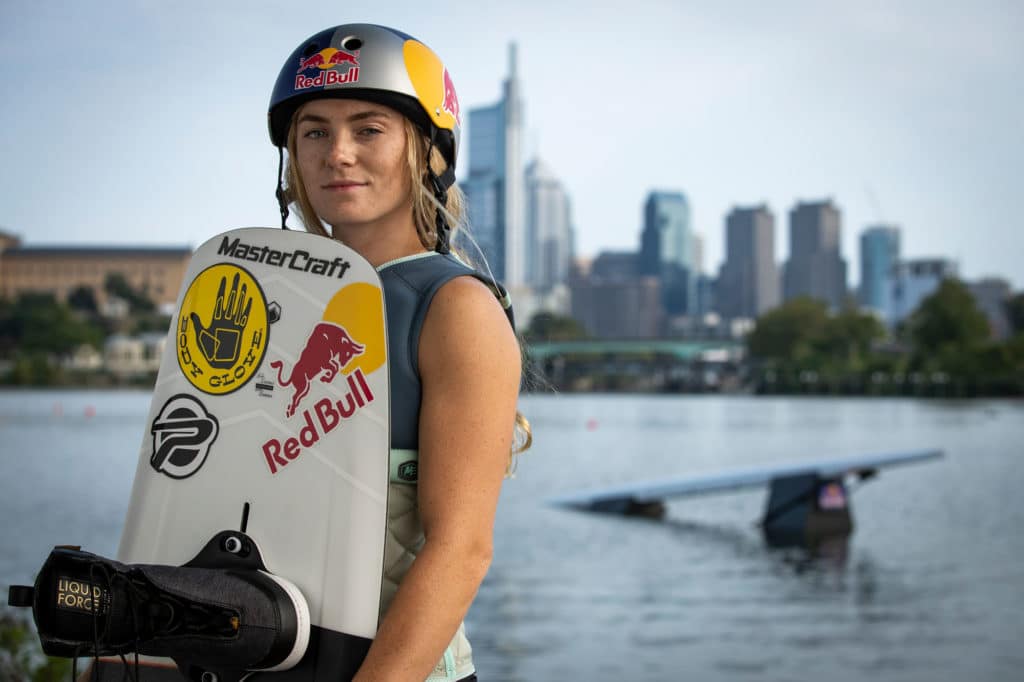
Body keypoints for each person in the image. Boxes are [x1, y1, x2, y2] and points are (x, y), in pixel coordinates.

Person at [267, 23, 531, 681]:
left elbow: (460, 550)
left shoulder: (455, 308)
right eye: (315, 131)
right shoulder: (281, 302)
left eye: (368, 129)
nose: (338, 153)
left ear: (429, 153)